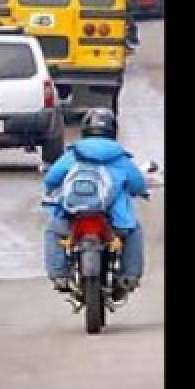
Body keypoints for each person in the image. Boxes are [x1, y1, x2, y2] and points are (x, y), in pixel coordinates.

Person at [42, 109, 149, 296]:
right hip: (114, 219)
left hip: (73, 214)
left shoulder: (73, 154)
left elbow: (51, 179)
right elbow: (138, 184)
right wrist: (142, 191)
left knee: (53, 232)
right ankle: (129, 277)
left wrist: (51, 189)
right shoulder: (120, 157)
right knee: (133, 232)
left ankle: (59, 275)